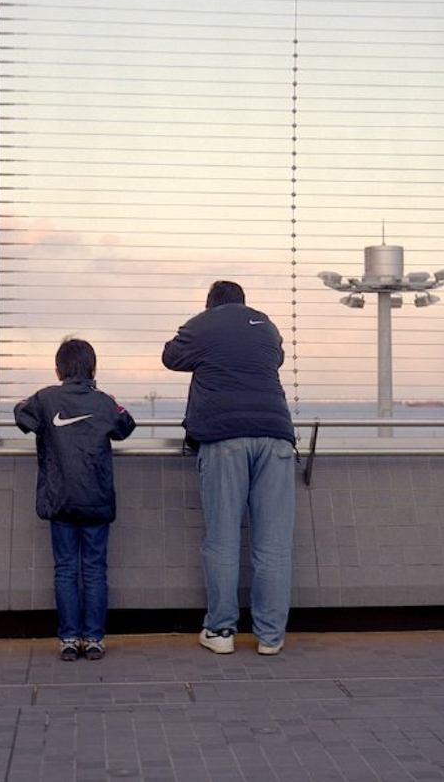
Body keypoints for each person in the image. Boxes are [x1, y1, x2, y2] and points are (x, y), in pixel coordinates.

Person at [162, 280, 296, 656]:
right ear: (243, 302)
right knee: (273, 545)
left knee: (222, 540)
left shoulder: (203, 324)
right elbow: (275, 359)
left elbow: (171, 357)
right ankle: (270, 637)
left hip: (224, 439)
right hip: (276, 436)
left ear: (210, 304)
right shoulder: (266, 325)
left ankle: (221, 632)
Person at [15, 338, 136, 661]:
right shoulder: (102, 402)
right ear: (93, 368)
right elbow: (126, 426)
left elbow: (21, 416)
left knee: (66, 569)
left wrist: (27, 402)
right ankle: (94, 639)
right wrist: (109, 400)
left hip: (60, 499)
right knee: (95, 569)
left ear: (58, 369)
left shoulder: (45, 398)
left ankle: (69, 639)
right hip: (96, 498)